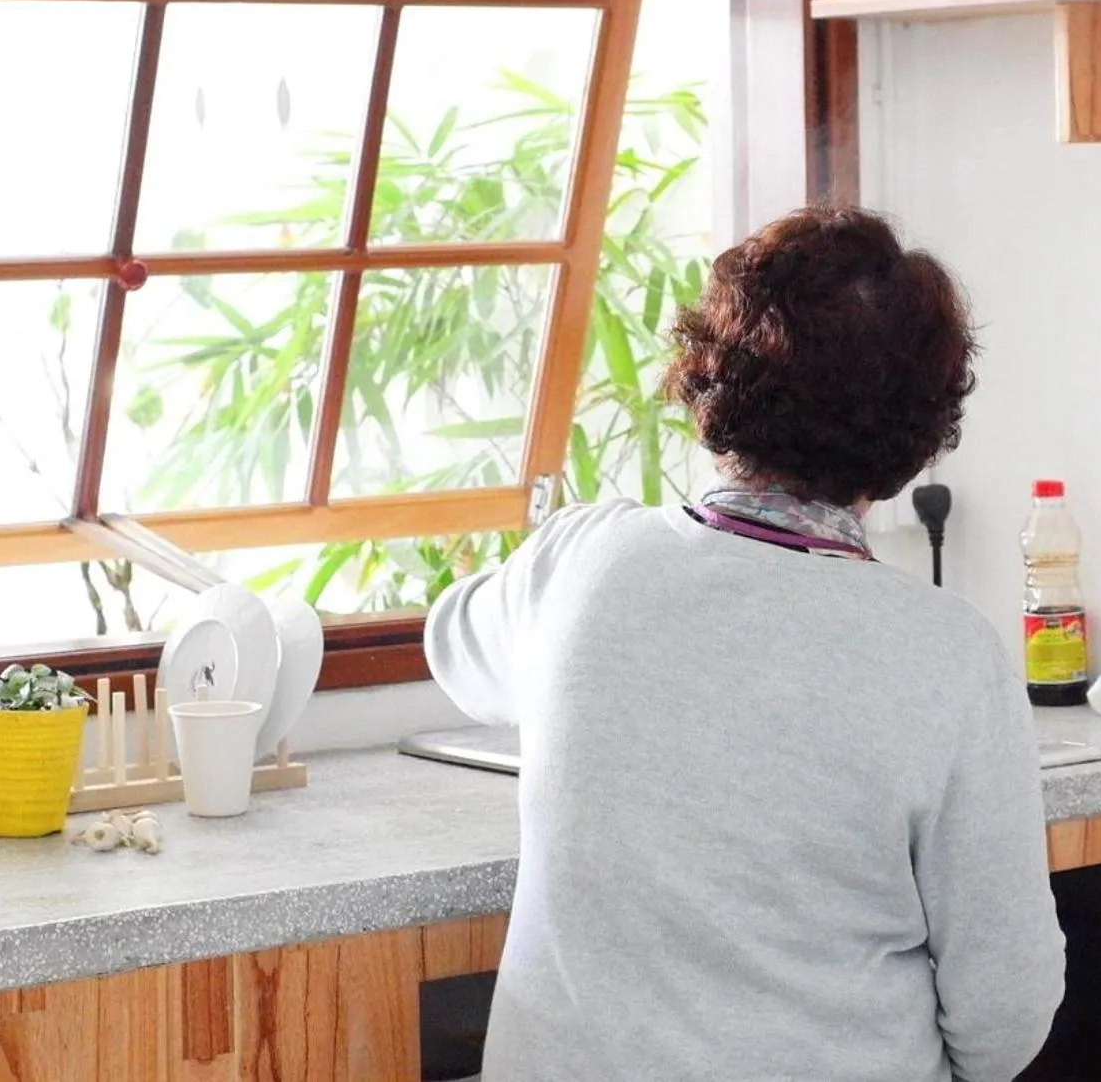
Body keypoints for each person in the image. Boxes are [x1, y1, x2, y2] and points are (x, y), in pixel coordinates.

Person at [427, 207, 1064, 1081]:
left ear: (708, 379)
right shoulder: (949, 655)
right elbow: (1005, 1010)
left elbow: (452, 647)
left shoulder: (579, 559)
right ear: (919, 429)